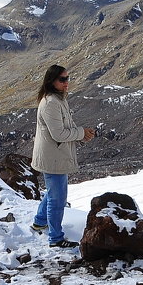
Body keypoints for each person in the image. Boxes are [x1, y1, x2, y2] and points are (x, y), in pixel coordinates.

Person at [31, 64, 95, 248]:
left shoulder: (58, 99)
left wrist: (81, 134)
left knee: (52, 193)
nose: (67, 83)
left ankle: (39, 221)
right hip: (53, 158)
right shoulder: (51, 103)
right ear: (51, 81)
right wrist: (81, 133)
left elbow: (65, 128)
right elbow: (58, 134)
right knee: (57, 199)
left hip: (54, 155)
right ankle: (55, 238)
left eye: (67, 78)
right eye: (62, 79)